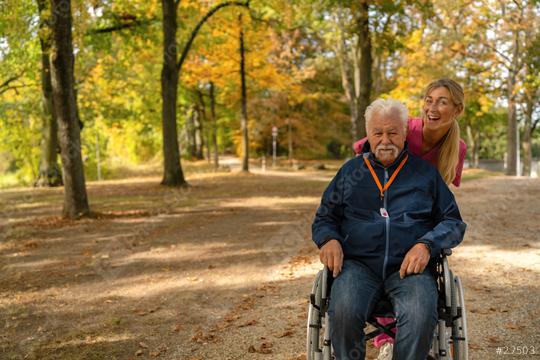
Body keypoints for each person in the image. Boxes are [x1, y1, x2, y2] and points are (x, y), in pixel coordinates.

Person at [312, 98, 466, 360]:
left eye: (393, 132)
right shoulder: (350, 173)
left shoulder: (425, 174)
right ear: (368, 136)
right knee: (344, 310)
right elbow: (324, 216)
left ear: (405, 133)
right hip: (357, 266)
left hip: (410, 269)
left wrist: (426, 245)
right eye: (378, 133)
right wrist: (328, 239)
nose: (385, 140)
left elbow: (453, 221)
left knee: (419, 313)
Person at [353, 78, 467, 357]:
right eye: (429, 99)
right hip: (383, 203)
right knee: (383, 237)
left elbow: (442, 202)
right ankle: (386, 340)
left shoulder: (457, 149)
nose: (433, 107)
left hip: (418, 217)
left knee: (412, 245)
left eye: (442, 101)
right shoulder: (406, 128)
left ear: (457, 110)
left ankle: (415, 330)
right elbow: (364, 149)